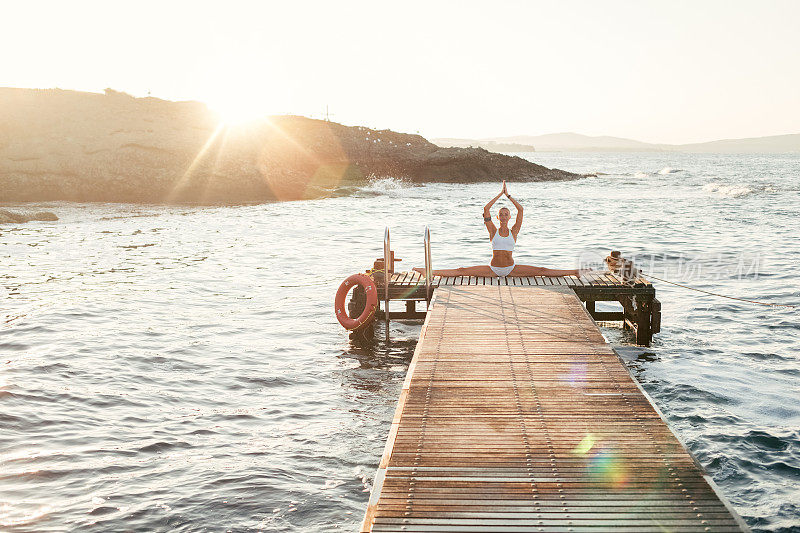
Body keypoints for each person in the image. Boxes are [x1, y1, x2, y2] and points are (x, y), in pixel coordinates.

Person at [413, 181, 588, 278]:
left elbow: (521, 210)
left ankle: (575, 272)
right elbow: (486, 209)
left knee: (541, 270)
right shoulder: (492, 231)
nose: (504, 216)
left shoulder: (514, 231)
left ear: (509, 217)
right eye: (501, 214)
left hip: (511, 268)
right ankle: (427, 271)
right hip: (493, 269)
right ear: (498, 218)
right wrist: (499, 194)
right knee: (461, 271)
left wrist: (508, 195)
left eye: (506, 214)